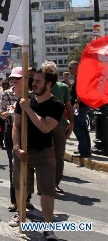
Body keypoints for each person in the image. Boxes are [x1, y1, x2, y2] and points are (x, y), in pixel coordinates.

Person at [9, 62, 65, 241]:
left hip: (44, 152)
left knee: (47, 189)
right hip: (23, 150)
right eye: (34, 80)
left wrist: (29, 109)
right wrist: (16, 147)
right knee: (20, 185)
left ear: (49, 85)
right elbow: (16, 126)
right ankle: (20, 214)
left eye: (38, 82)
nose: (33, 84)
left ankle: (48, 227)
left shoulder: (56, 105)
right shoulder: (24, 100)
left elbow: (45, 127)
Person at [0, 67, 33, 212]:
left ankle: (26, 198)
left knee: (28, 165)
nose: (14, 81)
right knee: (14, 165)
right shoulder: (6, 94)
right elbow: (1, 114)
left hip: (28, 132)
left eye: (17, 78)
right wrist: (11, 111)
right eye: (12, 78)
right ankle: (15, 200)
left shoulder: (31, 95)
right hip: (11, 130)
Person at [49, 62, 74, 194]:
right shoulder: (41, 86)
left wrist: (71, 123)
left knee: (59, 156)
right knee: (46, 156)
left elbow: (68, 106)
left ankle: (55, 183)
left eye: (53, 70)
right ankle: (46, 183)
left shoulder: (63, 87)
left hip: (60, 126)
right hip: (43, 126)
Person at [68, 60, 92, 157]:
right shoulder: (77, 77)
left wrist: (77, 102)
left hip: (81, 106)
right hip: (82, 105)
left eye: (70, 68)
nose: (69, 70)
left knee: (77, 126)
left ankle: (83, 149)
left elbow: (81, 92)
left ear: (76, 67)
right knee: (82, 127)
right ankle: (86, 148)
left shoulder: (81, 77)